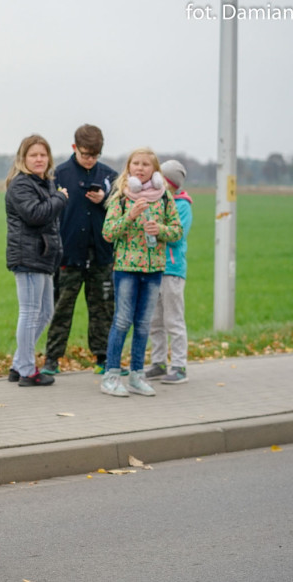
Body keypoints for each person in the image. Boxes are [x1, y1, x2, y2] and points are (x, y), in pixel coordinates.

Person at [99, 148, 182, 397]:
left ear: (154, 171)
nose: (140, 168)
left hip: (154, 269)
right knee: (122, 321)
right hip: (126, 269)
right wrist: (130, 216)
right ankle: (111, 376)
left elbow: (177, 231)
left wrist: (161, 230)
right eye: (136, 163)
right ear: (129, 168)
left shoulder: (164, 197)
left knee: (143, 325)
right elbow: (108, 232)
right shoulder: (121, 197)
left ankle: (137, 376)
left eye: (146, 164)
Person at [42, 125, 119, 375]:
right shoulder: (58, 175)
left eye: (95, 155)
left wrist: (105, 199)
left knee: (102, 309)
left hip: (101, 254)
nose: (90, 159)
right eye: (85, 154)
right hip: (68, 254)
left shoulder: (111, 176)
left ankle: (103, 357)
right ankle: (52, 359)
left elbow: (122, 211)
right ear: (75, 148)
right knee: (61, 309)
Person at [4, 134, 68, 386]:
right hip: (28, 256)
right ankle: (27, 371)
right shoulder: (21, 184)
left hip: (43, 256)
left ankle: (18, 364)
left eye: (43, 155)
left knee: (45, 313)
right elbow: (35, 214)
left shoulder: (44, 183)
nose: (39, 159)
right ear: (23, 158)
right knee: (31, 313)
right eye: (34, 155)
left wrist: (55, 196)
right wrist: (60, 199)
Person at [147, 160, 193, 384]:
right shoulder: (154, 201)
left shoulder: (182, 205)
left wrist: (157, 230)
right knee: (154, 320)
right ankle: (158, 363)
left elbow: (177, 235)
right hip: (153, 267)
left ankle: (179, 366)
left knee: (173, 320)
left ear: (171, 183)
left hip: (172, 270)